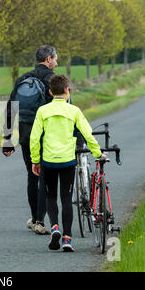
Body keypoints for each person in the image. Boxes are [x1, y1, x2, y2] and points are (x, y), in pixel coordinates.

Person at [30, 74, 106, 252]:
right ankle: (67, 239)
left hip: (48, 161)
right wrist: (98, 153)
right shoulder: (74, 111)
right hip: (68, 161)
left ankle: (54, 227)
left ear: (50, 92)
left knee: (50, 196)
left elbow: (35, 138)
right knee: (66, 198)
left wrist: (35, 160)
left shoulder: (43, 111)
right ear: (66, 90)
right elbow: (87, 134)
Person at [3, 45, 58, 235]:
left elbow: (10, 109)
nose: (57, 62)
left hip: (26, 134)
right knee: (45, 177)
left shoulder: (23, 79)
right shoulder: (53, 80)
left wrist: (7, 139)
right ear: (49, 59)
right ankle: (40, 222)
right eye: (56, 59)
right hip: (46, 136)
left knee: (31, 175)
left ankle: (35, 217)